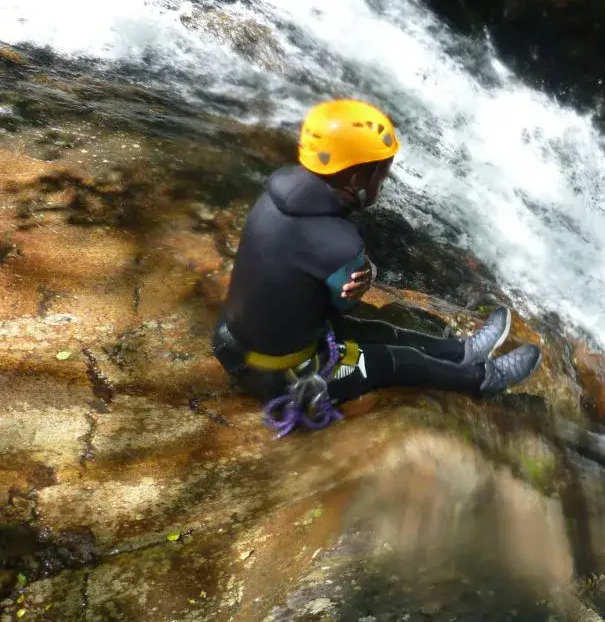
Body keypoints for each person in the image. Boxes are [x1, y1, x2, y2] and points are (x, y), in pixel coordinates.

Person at [211, 98, 542, 434]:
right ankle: (482, 379)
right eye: (380, 174)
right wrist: (366, 277)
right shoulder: (339, 242)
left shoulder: (274, 195)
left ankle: (463, 351)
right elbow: (343, 305)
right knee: (391, 359)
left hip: (235, 347)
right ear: (356, 177)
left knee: (372, 330)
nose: (383, 183)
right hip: (280, 377)